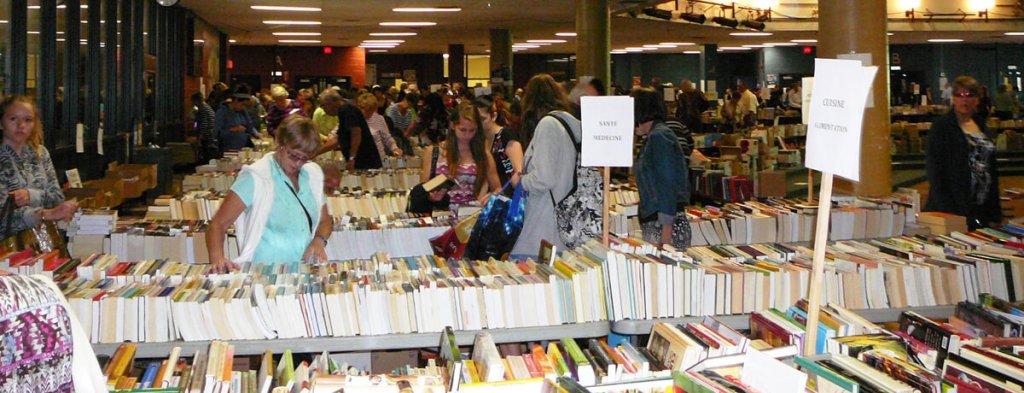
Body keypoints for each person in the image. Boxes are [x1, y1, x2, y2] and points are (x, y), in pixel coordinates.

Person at [206, 116, 332, 270]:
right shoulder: (256, 177)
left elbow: (325, 221)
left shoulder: (313, 174)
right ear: (279, 142)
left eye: (304, 158)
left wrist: (319, 240)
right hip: (264, 272)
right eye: (293, 155)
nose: (298, 163)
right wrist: (217, 258)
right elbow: (218, 224)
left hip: (305, 269)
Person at [509, 74, 581, 257]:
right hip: (564, 221)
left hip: (544, 223)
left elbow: (543, 178)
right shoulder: (569, 125)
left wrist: (520, 181)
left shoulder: (547, 125)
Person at [925, 76, 1001, 230]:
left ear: (977, 100)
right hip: (952, 206)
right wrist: (949, 211)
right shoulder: (942, 127)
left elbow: (991, 169)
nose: (964, 100)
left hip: (981, 205)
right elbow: (935, 171)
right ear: (953, 98)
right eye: (959, 95)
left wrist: (995, 212)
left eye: (970, 96)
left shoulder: (981, 124)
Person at [0, 96, 78, 239]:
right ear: (1, 122)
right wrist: (45, 214)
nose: (20, 125)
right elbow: (3, 216)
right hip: (9, 247)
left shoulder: (40, 153)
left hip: (46, 240)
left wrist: (31, 195)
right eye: (13, 119)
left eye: (28, 120)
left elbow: (57, 198)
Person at [631, 88, 691, 249]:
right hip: (661, 219)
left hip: (662, 223)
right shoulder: (657, 135)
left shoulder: (658, 137)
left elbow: (667, 182)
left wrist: (666, 229)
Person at [419, 102, 500, 218]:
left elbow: (497, 187)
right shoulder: (433, 152)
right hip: (440, 215)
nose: (467, 135)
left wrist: (493, 195)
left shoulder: (483, 154)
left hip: (471, 216)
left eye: (472, 130)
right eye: (462, 130)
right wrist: (431, 195)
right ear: (452, 125)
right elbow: (423, 188)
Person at [316, 95, 383, 170]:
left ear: (330, 104)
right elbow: (337, 139)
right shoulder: (344, 110)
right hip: (363, 162)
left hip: (366, 162)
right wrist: (315, 153)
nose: (323, 110)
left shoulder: (347, 109)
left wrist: (351, 158)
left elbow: (356, 133)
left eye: (323, 106)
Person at [473, 95, 522, 195]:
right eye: (475, 120)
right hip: (490, 198)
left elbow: (518, 171)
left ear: (494, 116)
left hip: (508, 198)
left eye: (482, 119)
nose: (478, 124)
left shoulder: (506, 135)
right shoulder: (478, 140)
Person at [357, 93, 402, 160]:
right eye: (367, 110)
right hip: (360, 159)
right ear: (360, 107)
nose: (370, 113)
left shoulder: (379, 118)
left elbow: (387, 137)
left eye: (371, 110)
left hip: (379, 159)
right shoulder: (351, 118)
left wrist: (395, 148)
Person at [192, 92, 218, 161]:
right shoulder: (207, 107)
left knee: (206, 157)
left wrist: (199, 139)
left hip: (207, 137)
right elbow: (196, 123)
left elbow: (204, 125)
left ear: (196, 101)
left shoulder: (203, 110)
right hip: (210, 135)